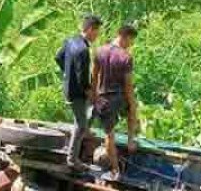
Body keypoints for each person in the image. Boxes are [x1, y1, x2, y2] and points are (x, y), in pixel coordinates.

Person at [93, 24, 140, 180]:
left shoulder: (99, 51)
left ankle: (114, 171)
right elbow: (128, 85)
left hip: (103, 98)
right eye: (130, 41)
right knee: (132, 109)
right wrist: (132, 103)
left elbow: (94, 77)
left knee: (109, 134)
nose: (130, 45)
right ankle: (131, 140)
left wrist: (94, 96)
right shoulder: (125, 57)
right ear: (124, 37)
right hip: (119, 97)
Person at [56, 15, 102, 169]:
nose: (97, 35)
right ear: (89, 29)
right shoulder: (83, 50)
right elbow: (83, 80)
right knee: (80, 124)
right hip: (77, 93)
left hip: (69, 87)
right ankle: (72, 159)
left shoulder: (70, 41)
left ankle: (82, 135)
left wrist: (66, 73)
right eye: (96, 32)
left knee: (85, 116)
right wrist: (92, 94)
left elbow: (58, 57)